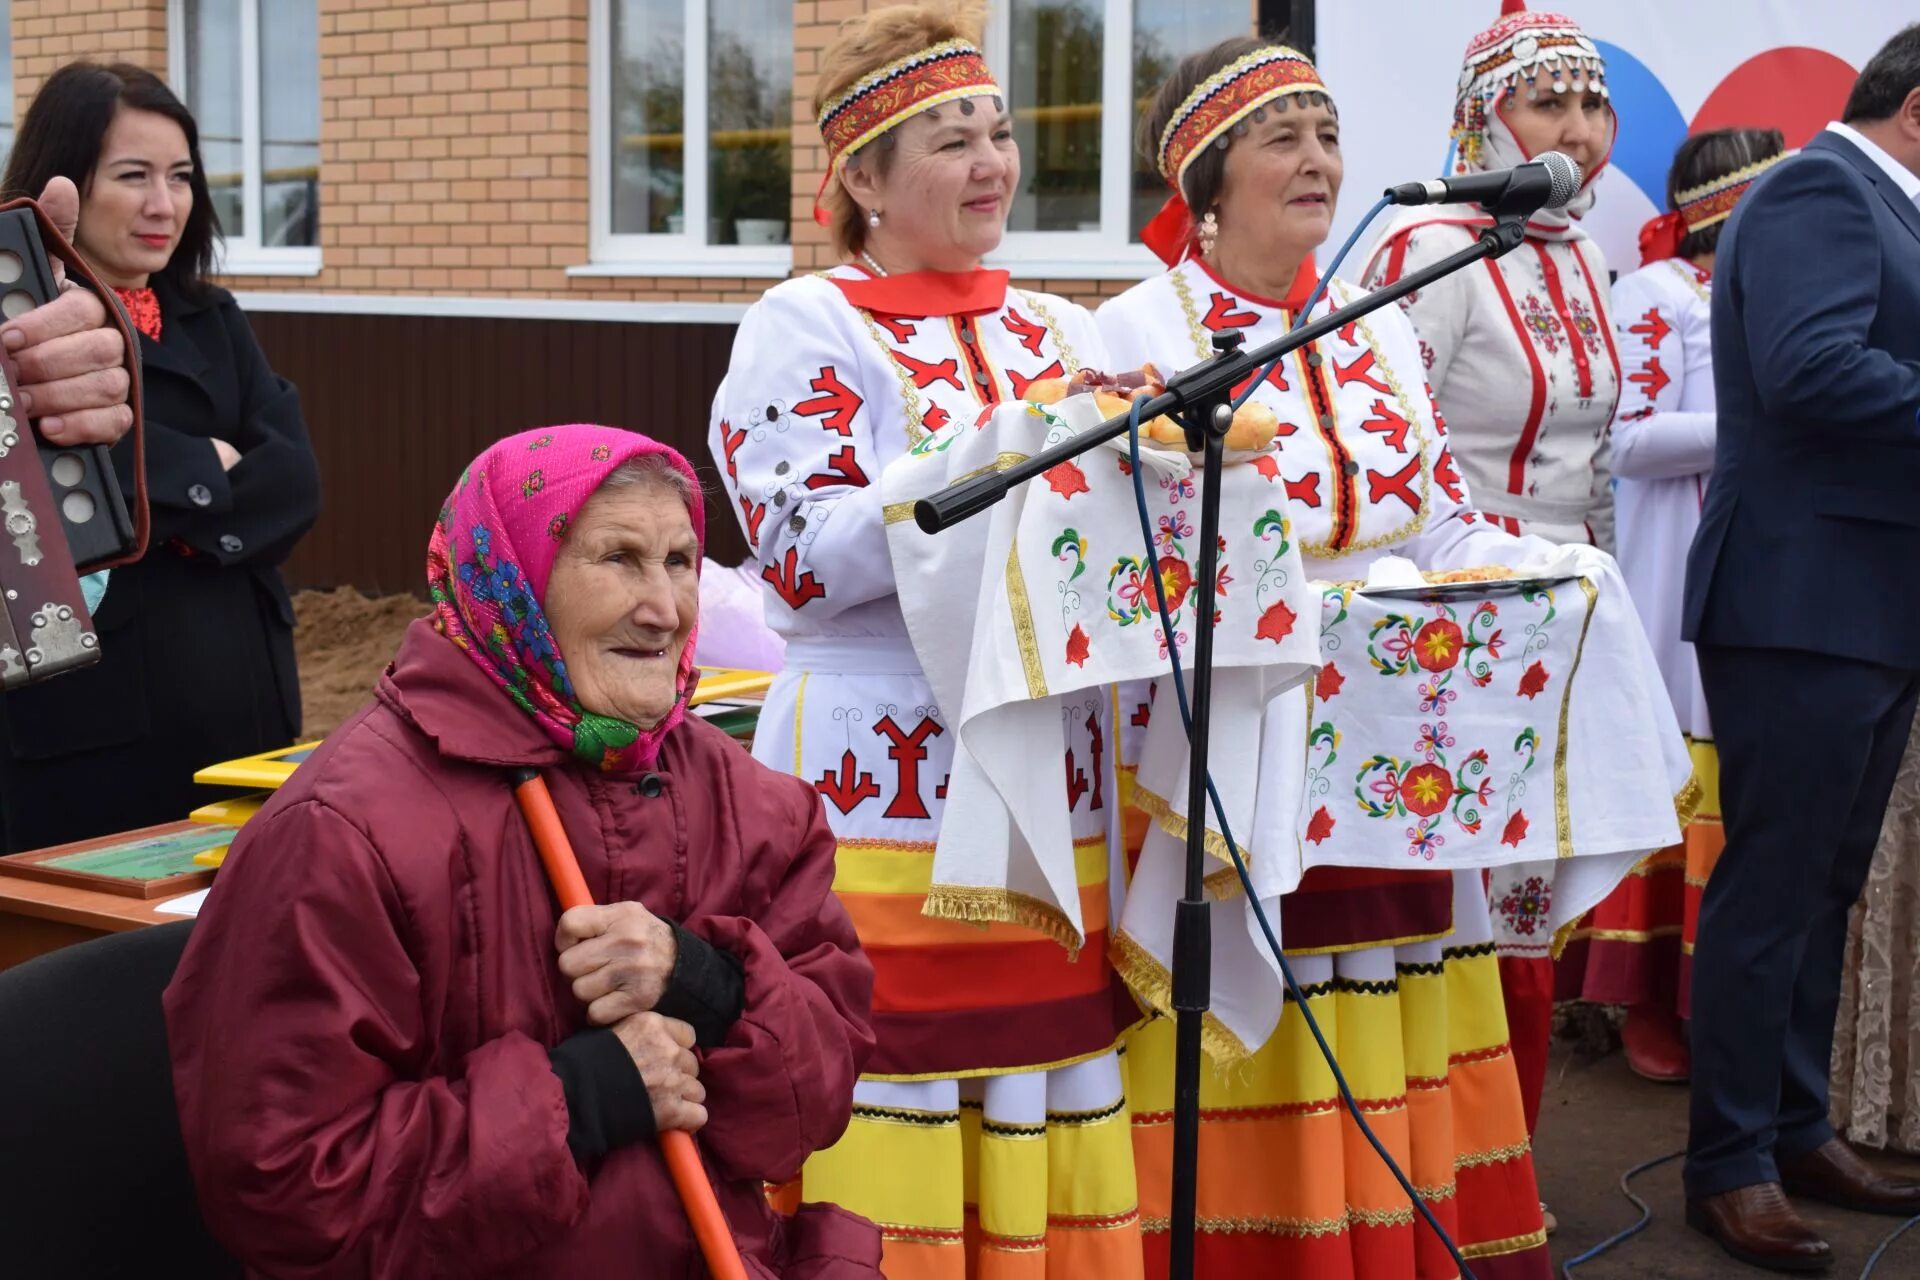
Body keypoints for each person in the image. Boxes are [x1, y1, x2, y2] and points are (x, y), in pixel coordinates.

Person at [163, 424, 881, 1277]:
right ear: (513, 576)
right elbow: (287, 1192)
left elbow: (814, 1104)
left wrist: (706, 982)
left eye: (681, 560)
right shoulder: (342, 833)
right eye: (618, 558)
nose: (665, 609)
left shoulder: (751, 803)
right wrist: (583, 1098)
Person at [1099, 36, 1579, 1278]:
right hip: (1240, 743)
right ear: (1205, 178)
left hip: (1397, 746)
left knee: (1392, 1008)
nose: (1318, 160)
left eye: (1327, 134)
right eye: (1282, 138)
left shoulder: (1371, 328)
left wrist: (1512, 564)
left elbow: (1433, 510)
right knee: (1266, 1013)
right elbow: (1122, 555)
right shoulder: (1135, 332)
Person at [708, 5, 1143, 1275]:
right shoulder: (806, 323)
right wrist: (996, 458)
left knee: (1035, 1062)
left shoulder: (1063, 329)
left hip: (1049, 769)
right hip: (877, 766)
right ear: (861, 176)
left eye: (1000, 131)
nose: (994, 161)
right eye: (953, 139)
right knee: (892, 1061)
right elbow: (798, 552)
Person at [1360, 0, 1621, 1159]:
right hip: (1461, 603)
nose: (1581, 127)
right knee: (1469, 899)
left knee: (1532, 900)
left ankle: (1510, 1175)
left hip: (1566, 596)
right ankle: (1455, 1179)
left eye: (1592, 100)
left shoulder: (1590, 248)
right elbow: (1386, 449)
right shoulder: (1434, 250)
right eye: (1549, 100)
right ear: (1485, 119)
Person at [1680, 24, 1920, 1273]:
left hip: (1861, 599)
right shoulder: (1823, 189)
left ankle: (1793, 1122)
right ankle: (1728, 1162)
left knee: (1820, 882)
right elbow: (1813, 367)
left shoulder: (1881, 203)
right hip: (1801, 598)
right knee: (1772, 887)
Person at [0, 61, 321, 853]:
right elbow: (34, 494)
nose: (163, 203)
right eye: (133, 175)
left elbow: (295, 484)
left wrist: (142, 488)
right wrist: (211, 467)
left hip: (247, 720)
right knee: (91, 956)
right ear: (63, 177)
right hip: (93, 740)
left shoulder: (209, 315)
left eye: (180, 177)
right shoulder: (21, 330)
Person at [1559, 129, 1783, 1085]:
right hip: (1676, 575)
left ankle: (1713, 1005)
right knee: (1681, 783)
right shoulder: (1655, 296)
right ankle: (1646, 998)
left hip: (1763, 575)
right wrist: (1771, 418)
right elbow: (1635, 438)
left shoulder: (1765, 300)